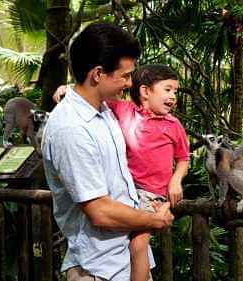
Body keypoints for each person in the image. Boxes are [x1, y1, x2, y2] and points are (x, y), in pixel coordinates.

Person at [42, 22, 174, 281]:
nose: (128, 84)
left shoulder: (104, 112)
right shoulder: (71, 128)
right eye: (124, 76)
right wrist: (153, 221)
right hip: (98, 269)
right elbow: (99, 211)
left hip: (126, 258)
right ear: (98, 74)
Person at [54, 64, 190, 281]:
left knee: (138, 245)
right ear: (145, 92)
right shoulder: (124, 111)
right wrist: (68, 89)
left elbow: (183, 158)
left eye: (175, 91)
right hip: (124, 193)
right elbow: (91, 95)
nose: (173, 95)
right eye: (167, 89)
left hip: (150, 194)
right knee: (126, 240)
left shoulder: (173, 125)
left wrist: (176, 181)